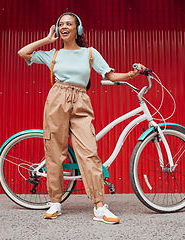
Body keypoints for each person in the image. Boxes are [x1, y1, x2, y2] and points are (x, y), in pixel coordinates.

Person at [18, 12, 145, 224]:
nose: (64, 26)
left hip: (81, 101)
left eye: (69, 23)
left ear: (79, 29)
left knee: (89, 153)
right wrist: (48, 39)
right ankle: (55, 203)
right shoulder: (53, 54)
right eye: (61, 24)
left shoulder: (90, 53)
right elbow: (23, 52)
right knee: (55, 152)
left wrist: (131, 74)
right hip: (57, 99)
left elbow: (110, 75)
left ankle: (99, 206)